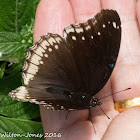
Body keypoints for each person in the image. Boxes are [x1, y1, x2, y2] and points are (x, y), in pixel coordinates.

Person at [33, 0, 140, 139]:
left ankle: (34, 77)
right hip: (60, 82)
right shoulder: (96, 84)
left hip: (59, 74)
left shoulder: (93, 85)